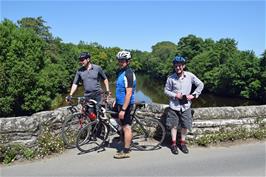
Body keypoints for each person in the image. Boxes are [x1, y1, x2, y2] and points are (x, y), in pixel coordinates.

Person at [164, 56, 204, 155]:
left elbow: (200, 84)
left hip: (186, 105)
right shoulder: (171, 78)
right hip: (174, 105)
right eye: (176, 66)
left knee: (185, 125)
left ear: (183, 66)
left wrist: (194, 95)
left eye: (180, 66)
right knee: (173, 125)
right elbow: (166, 90)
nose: (178, 68)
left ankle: (182, 143)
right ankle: (173, 144)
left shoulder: (190, 76)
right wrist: (175, 95)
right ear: (174, 66)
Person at [113, 50, 136, 159]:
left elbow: (129, 93)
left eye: (123, 60)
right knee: (119, 122)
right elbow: (119, 88)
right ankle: (123, 139)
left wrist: (123, 109)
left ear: (128, 61)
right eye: (119, 60)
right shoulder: (121, 72)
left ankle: (126, 151)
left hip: (125, 105)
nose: (121, 62)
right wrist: (116, 100)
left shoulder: (129, 73)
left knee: (126, 127)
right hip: (119, 103)